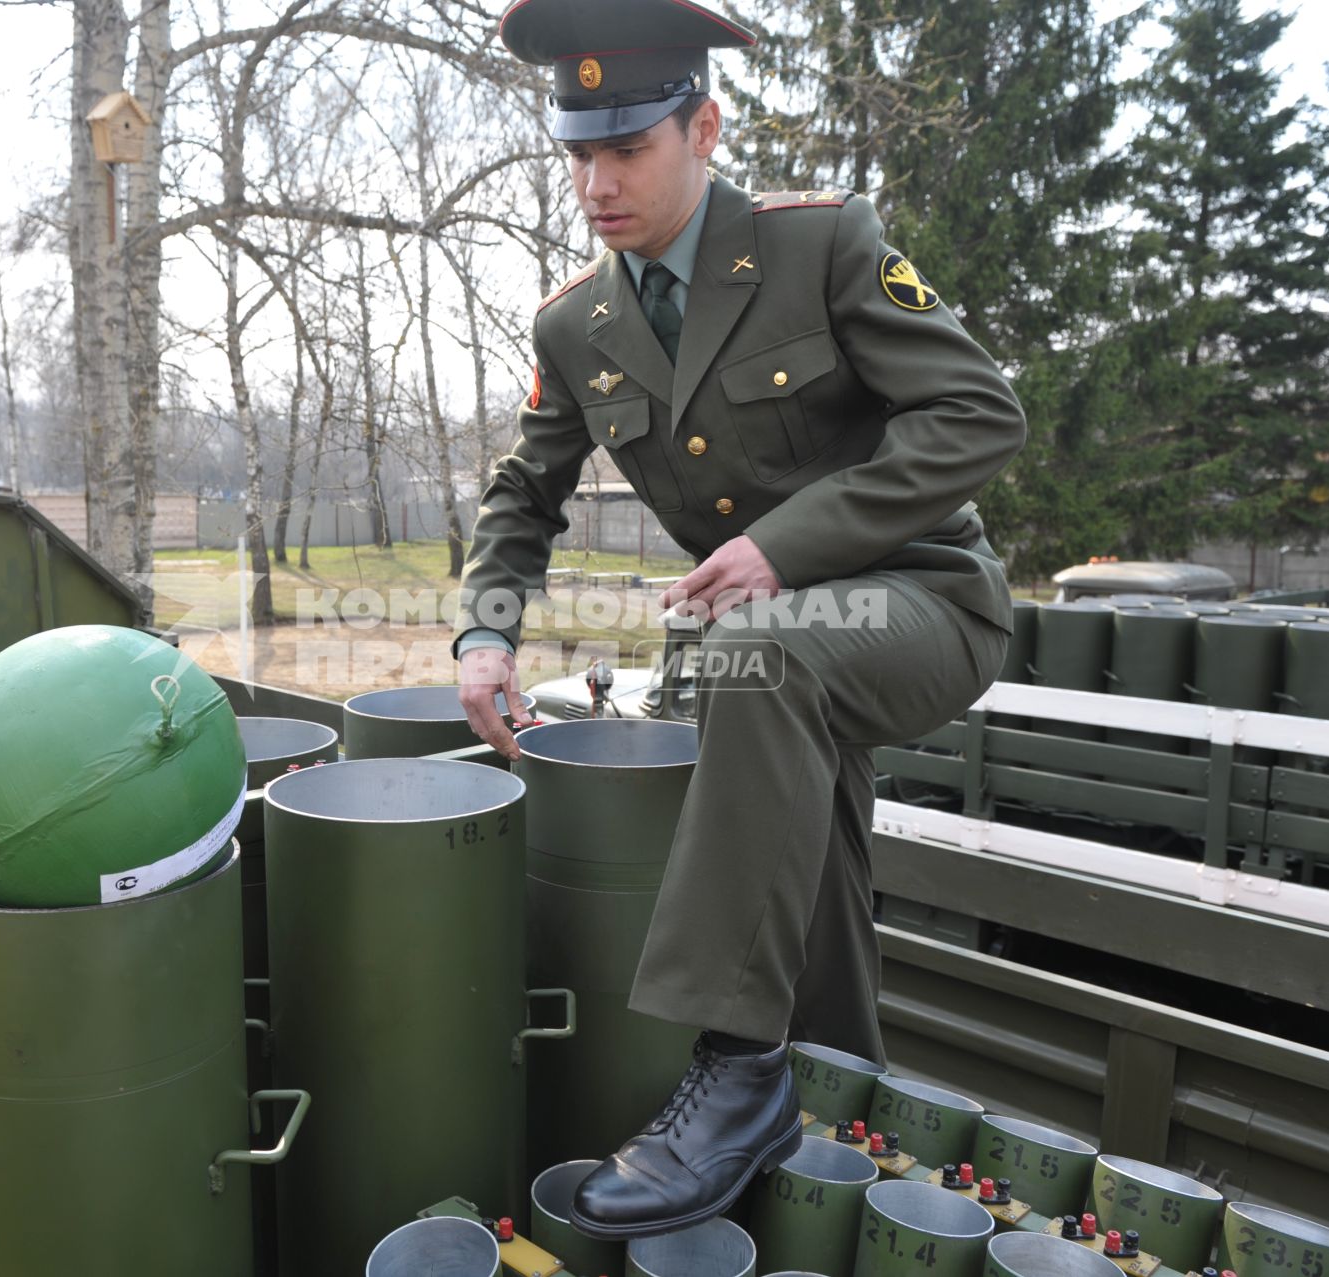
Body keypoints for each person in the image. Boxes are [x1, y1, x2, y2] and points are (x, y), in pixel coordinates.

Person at [454, 0, 1024, 1242]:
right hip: (769, 652)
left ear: (703, 126)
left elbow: (979, 416)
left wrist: (788, 542)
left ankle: (741, 1068)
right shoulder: (577, 323)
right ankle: (838, 1079)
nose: (595, 182)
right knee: (804, 832)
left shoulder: (821, 246)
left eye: (629, 149)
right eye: (577, 154)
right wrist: (487, 632)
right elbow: (521, 494)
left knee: (758, 657)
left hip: (920, 600)